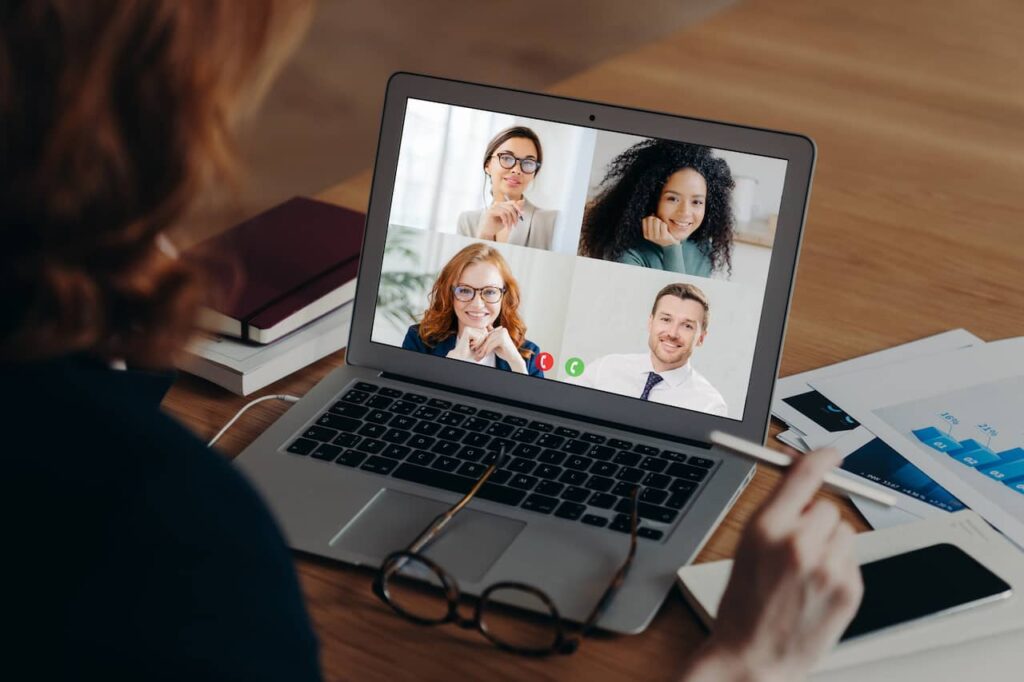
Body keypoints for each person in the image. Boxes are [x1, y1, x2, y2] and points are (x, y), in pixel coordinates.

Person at [2, 3, 862, 680]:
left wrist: (105, 293)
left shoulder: (563, 334)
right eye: (468, 289)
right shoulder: (187, 548)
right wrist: (744, 667)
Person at [580, 139, 735, 277]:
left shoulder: (702, 249)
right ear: (651, 200)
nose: (685, 212)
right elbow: (677, 302)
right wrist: (671, 248)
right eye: (673, 199)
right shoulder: (628, 254)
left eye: (697, 202)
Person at [574, 282, 728, 416]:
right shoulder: (606, 368)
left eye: (687, 326)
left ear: (701, 338)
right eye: (666, 319)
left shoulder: (710, 406)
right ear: (650, 322)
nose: (672, 333)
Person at [402, 243, 545, 376]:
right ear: (449, 294)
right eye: (464, 290)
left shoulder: (530, 355)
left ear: (504, 295)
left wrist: (517, 364)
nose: (477, 304)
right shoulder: (418, 340)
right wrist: (451, 361)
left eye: (490, 292)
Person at [457, 126, 558, 250]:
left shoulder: (552, 222)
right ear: (487, 165)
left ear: (534, 173)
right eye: (506, 158)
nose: (516, 170)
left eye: (528, 163)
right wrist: (484, 235)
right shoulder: (467, 221)